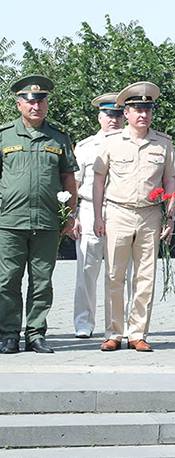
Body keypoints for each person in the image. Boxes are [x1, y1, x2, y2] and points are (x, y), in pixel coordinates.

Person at [93, 81, 175, 352]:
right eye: (137, 110)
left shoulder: (163, 143)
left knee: (145, 276)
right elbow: (98, 180)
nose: (143, 115)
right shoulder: (111, 142)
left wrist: (170, 217)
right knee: (114, 275)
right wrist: (98, 216)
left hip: (149, 215)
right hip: (118, 212)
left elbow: (170, 181)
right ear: (126, 113)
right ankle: (114, 333)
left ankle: (137, 333)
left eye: (147, 110)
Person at [0, 75, 78, 354]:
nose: (36, 106)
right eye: (31, 102)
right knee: (7, 280)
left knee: (42, 281)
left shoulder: (58, 137)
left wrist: (70, 215)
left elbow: (68, 179)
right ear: (19, 104)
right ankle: (9, 334)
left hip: (47, 221)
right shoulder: (4, 135)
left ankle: (35, 334)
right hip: (9, 221)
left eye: (41, 101)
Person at [72, 93, 127, 338]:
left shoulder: (130, 143)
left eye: (118, 114)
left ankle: (119, 323)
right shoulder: (85, 147)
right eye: (108, 115)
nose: (113, 120)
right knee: (86, 268)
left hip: (121, 210)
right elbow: (74, 183)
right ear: (99, 117)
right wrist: (73, 215)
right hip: (87, 209)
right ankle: (84, 322)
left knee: (120, 271)